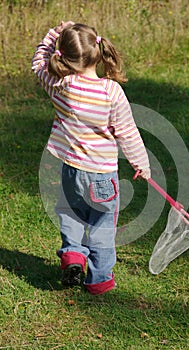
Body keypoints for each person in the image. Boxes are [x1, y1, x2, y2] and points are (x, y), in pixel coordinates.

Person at [32, 21, 151, 295]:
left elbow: (39, 62)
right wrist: (140, 163)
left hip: (71, 170)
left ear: (63, 55)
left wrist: (54, 35)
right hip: (102, 175)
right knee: (101, 224)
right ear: (97, 52)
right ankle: (99, 279)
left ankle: (73, 256)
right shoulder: (111, 92)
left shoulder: (60, 86)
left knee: (71, 213)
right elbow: (127, 132)